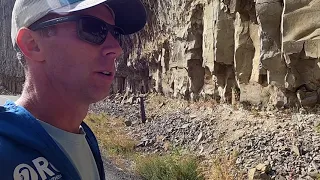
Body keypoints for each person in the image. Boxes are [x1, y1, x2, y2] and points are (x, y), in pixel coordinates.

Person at [0, 0, 147, 179]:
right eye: (93, 28)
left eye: (115, 34)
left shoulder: (84, 138)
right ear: (32, 44)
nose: (116, 49)